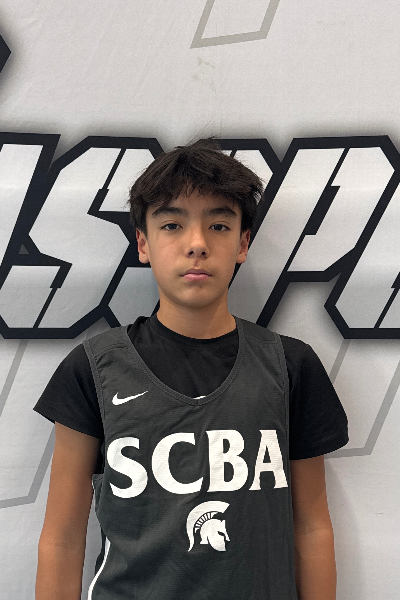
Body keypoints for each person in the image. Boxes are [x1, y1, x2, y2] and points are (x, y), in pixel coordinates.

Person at [34, 138, 349, 600]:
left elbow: (312, 527)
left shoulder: (290, 367)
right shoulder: (92, 370)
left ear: (243, 243)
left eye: (219, 225)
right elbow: (62, 539)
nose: (197, 244)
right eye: (172, 225)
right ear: (143, 243)